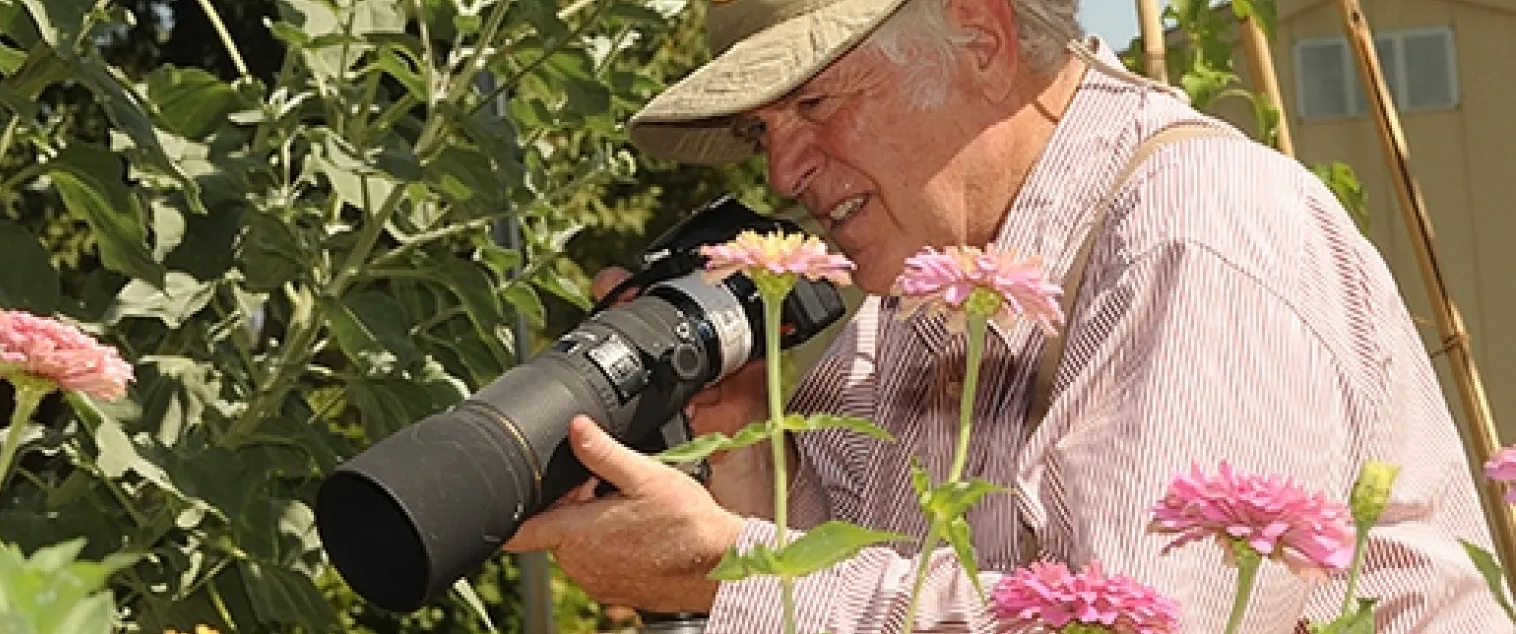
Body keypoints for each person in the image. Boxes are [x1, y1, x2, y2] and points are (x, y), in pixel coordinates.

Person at [498, 0, 1513, 631]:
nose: (782, 170)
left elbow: (1133, 630)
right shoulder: (908, 304)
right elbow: (867, 581)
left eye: (811, 105)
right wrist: (739, 444)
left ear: (979, 34)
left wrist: (734, 574)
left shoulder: (1192, 232)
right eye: (761, 129)